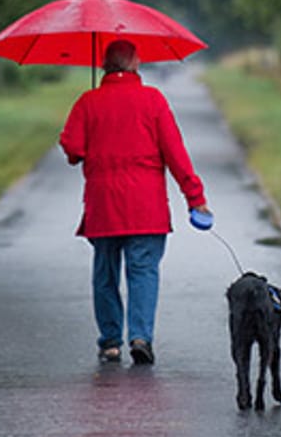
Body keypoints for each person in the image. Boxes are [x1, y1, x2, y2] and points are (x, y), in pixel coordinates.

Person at [59, 39, 211, 365]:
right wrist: (195, 199)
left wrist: (91, 121)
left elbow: (72, 149)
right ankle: (141, 337)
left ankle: (111, 341)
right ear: (135, 64)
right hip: (146, 208)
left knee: (105, 274)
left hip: (103, 207)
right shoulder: (153, 100)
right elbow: (175, 154)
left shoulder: (88, 102)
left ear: (104, 66)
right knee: (143, 271)